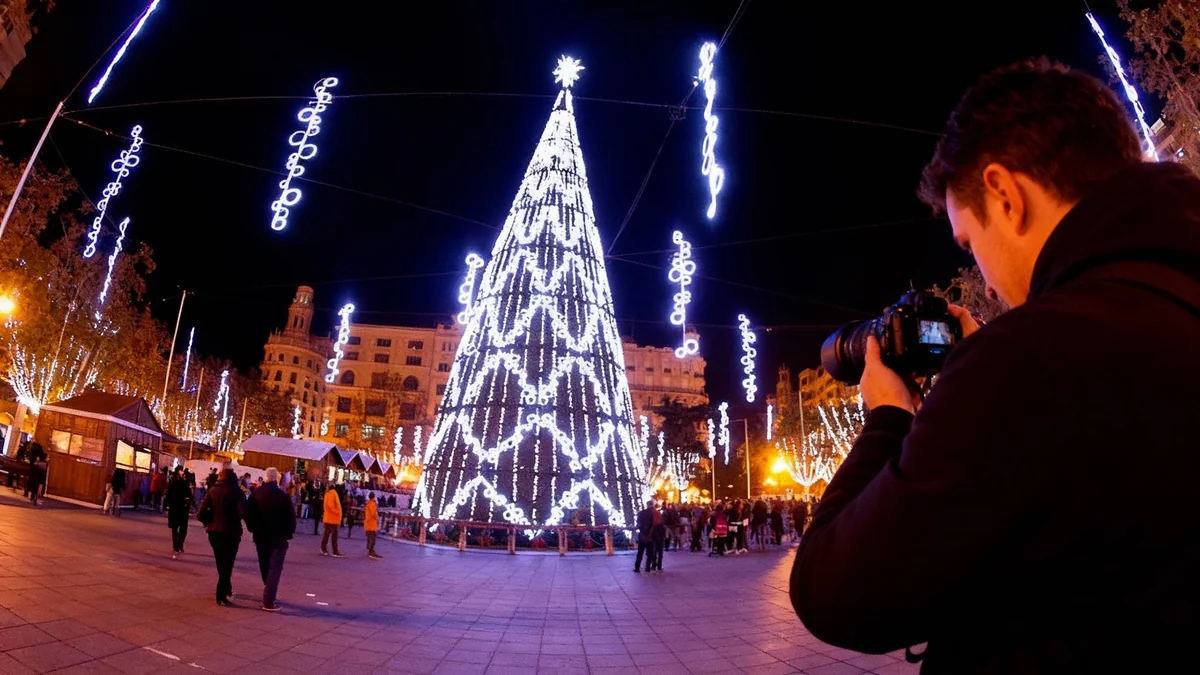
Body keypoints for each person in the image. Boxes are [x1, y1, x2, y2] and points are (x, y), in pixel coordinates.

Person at [790, 58, 1200, 673]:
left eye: (968, 242)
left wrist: (891, 419)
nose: (982, 272)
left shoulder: (1032, 360)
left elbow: (834, 594)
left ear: (1006, 195)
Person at [245, 468, 296, 612]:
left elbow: (249, 514)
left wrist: (253, 528)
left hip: (260, 536)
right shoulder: (282, 496)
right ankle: (268, 600)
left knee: (265, 564)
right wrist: (288, 533)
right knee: (275, 568)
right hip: (278, 538)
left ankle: (268, 590)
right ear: (276, 479)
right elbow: (291, 519)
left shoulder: (256, 494)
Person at [196, 469, 245, 606]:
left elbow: (200, 514)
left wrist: (208, 523)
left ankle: (226, 590)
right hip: (232, 532)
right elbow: (242, 512)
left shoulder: (212, 491)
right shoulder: (237, 492)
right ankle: (221, 594)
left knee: (220, 562)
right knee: (228, 563)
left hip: (214, 532)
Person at [164, 466, 193, 558]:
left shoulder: (172, 484)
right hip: (183, 508)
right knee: (183, 528)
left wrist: (166, 506)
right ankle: (179, 544)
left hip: (174, 508)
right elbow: (190, 496)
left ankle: (176, 545)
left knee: (174, 528)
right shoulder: (185, 484)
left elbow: (167, 496)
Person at [320, 482, 344, 557]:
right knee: (333, 535)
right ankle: (334, 551)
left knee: (327, 534)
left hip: (329, 518)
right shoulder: (332, 493)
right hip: (332, 518)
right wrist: (337, 512)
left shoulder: (328, 493)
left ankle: (324, 549)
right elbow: (331, 505)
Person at [633, 499, 655, 573]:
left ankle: (637, 567)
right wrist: (649, 535)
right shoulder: (654, 514)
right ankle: (648, 567)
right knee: (650, 553)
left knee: (640, 552)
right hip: (650, 536)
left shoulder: (641, 513)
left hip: (642, 535)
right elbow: (654, 526)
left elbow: (638, 525)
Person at [363, 492, 382, 559]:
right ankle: (371, 552)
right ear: (374, 497)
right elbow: (374, 514)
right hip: (372, 524)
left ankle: (370, 551)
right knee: (372, 539)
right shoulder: (372, 504)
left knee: (370, 538)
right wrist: (377, 520)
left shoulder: (368, 504)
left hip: (368, 524)